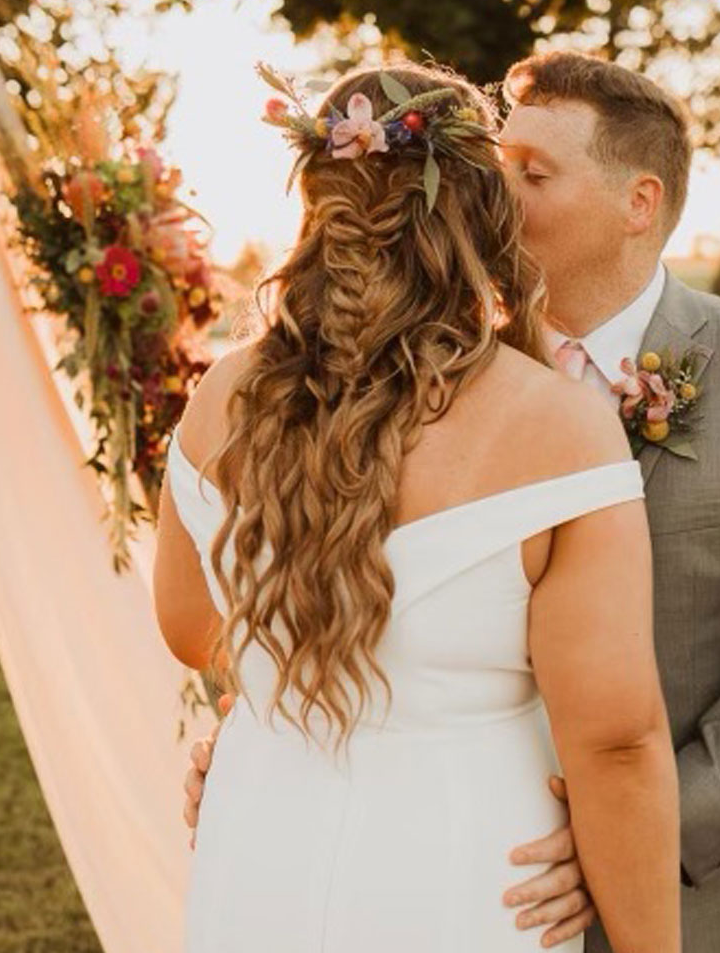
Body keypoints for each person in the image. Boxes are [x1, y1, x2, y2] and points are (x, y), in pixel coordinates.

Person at [183, 50, 720, 953]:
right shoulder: (411, 376)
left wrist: (637, 831)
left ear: (639, 203)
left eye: (532, 173)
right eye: (491, 163)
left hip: (700, 898)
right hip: (462, 879)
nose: (487, 188)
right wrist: (273, 736)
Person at [153, 60, 681, 953]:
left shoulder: (222, 395)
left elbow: (192, 628)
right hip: (467, 870)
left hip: (259, 850)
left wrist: (294, 704)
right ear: (481, 205)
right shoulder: (558, 425)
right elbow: (616, 743)